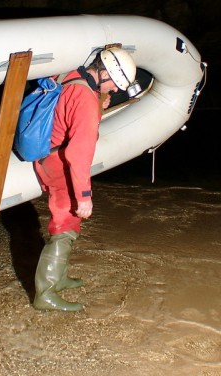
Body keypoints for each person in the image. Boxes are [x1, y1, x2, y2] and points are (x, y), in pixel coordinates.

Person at [32, 47, 138, 311]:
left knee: (70, 220)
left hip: (47, 155)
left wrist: (97, 104)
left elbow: (67, 109)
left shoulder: (72, 75)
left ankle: (60, 277)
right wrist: (84, 196)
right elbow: (79, 153)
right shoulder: (86, 102)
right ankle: (45, 294)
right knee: (65, 225)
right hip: (60, 164)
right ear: (104, 72)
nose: (114, 90)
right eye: (114, 83)